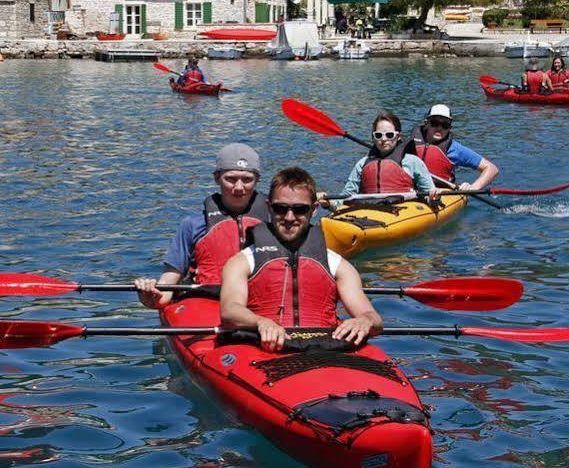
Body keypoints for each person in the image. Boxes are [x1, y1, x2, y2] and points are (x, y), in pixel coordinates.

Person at [220, 166, 383, 351]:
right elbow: (230, 310)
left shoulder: (338, 265)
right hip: (264, 348)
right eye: (280, 208)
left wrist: (365, 320)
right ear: (269, 207)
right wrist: (261, 322)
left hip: (327, 349)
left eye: (299, 209)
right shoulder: (242, 262)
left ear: (313, 209)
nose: (289, 217)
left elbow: (373, 317)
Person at [135, 143, 271, 309]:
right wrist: (151, 295)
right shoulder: (192, 225)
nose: (239, 187)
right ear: (216, 178)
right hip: (207, 301)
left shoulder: (276, 220)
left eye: (247, 180)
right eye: (231, 179)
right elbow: (167, 286)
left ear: (257, 179)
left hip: (261, 300)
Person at [331, 111, 440, 201]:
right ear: (373, 138)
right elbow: (345, 197)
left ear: (398, 137)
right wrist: (328, 203)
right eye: (378, 135)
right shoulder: (362, 164)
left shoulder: (413, 162)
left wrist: (434, 198)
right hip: (369, 211)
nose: (383, 139)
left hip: (404, 214)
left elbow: (430, 195)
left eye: (389, 135)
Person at [410, 105, 499, 191]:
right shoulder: (409, 144)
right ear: (426, 123)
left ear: (450, 128)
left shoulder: (455, 149)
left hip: (440, 195)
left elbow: (491, 169)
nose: (439, 128)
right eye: (435, 123)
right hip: (410, 191)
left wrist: (473, 187)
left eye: (445, 125)